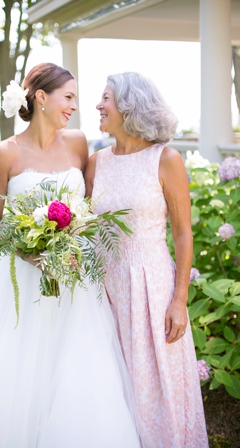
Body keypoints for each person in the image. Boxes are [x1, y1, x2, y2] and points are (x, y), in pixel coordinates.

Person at [0, 63, 139, 447]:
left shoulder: (79, 143)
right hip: (21, 275)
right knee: (17, 370)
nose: (74, 107)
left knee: (77, 368)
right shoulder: (4, 153)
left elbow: (90, 201)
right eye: (68, 98)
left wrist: (72, 241)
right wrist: (28, 247)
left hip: (75, 276)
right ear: (42, 98)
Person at [88, 72, 207, 447]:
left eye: (105, 98)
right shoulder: (95, 164)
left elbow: (183, 232)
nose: (98, 105)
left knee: (159, 384)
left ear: (128, 105)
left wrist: (179, 298)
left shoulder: (165, 159)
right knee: (112, 383)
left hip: (152, 286)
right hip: (104, 288)